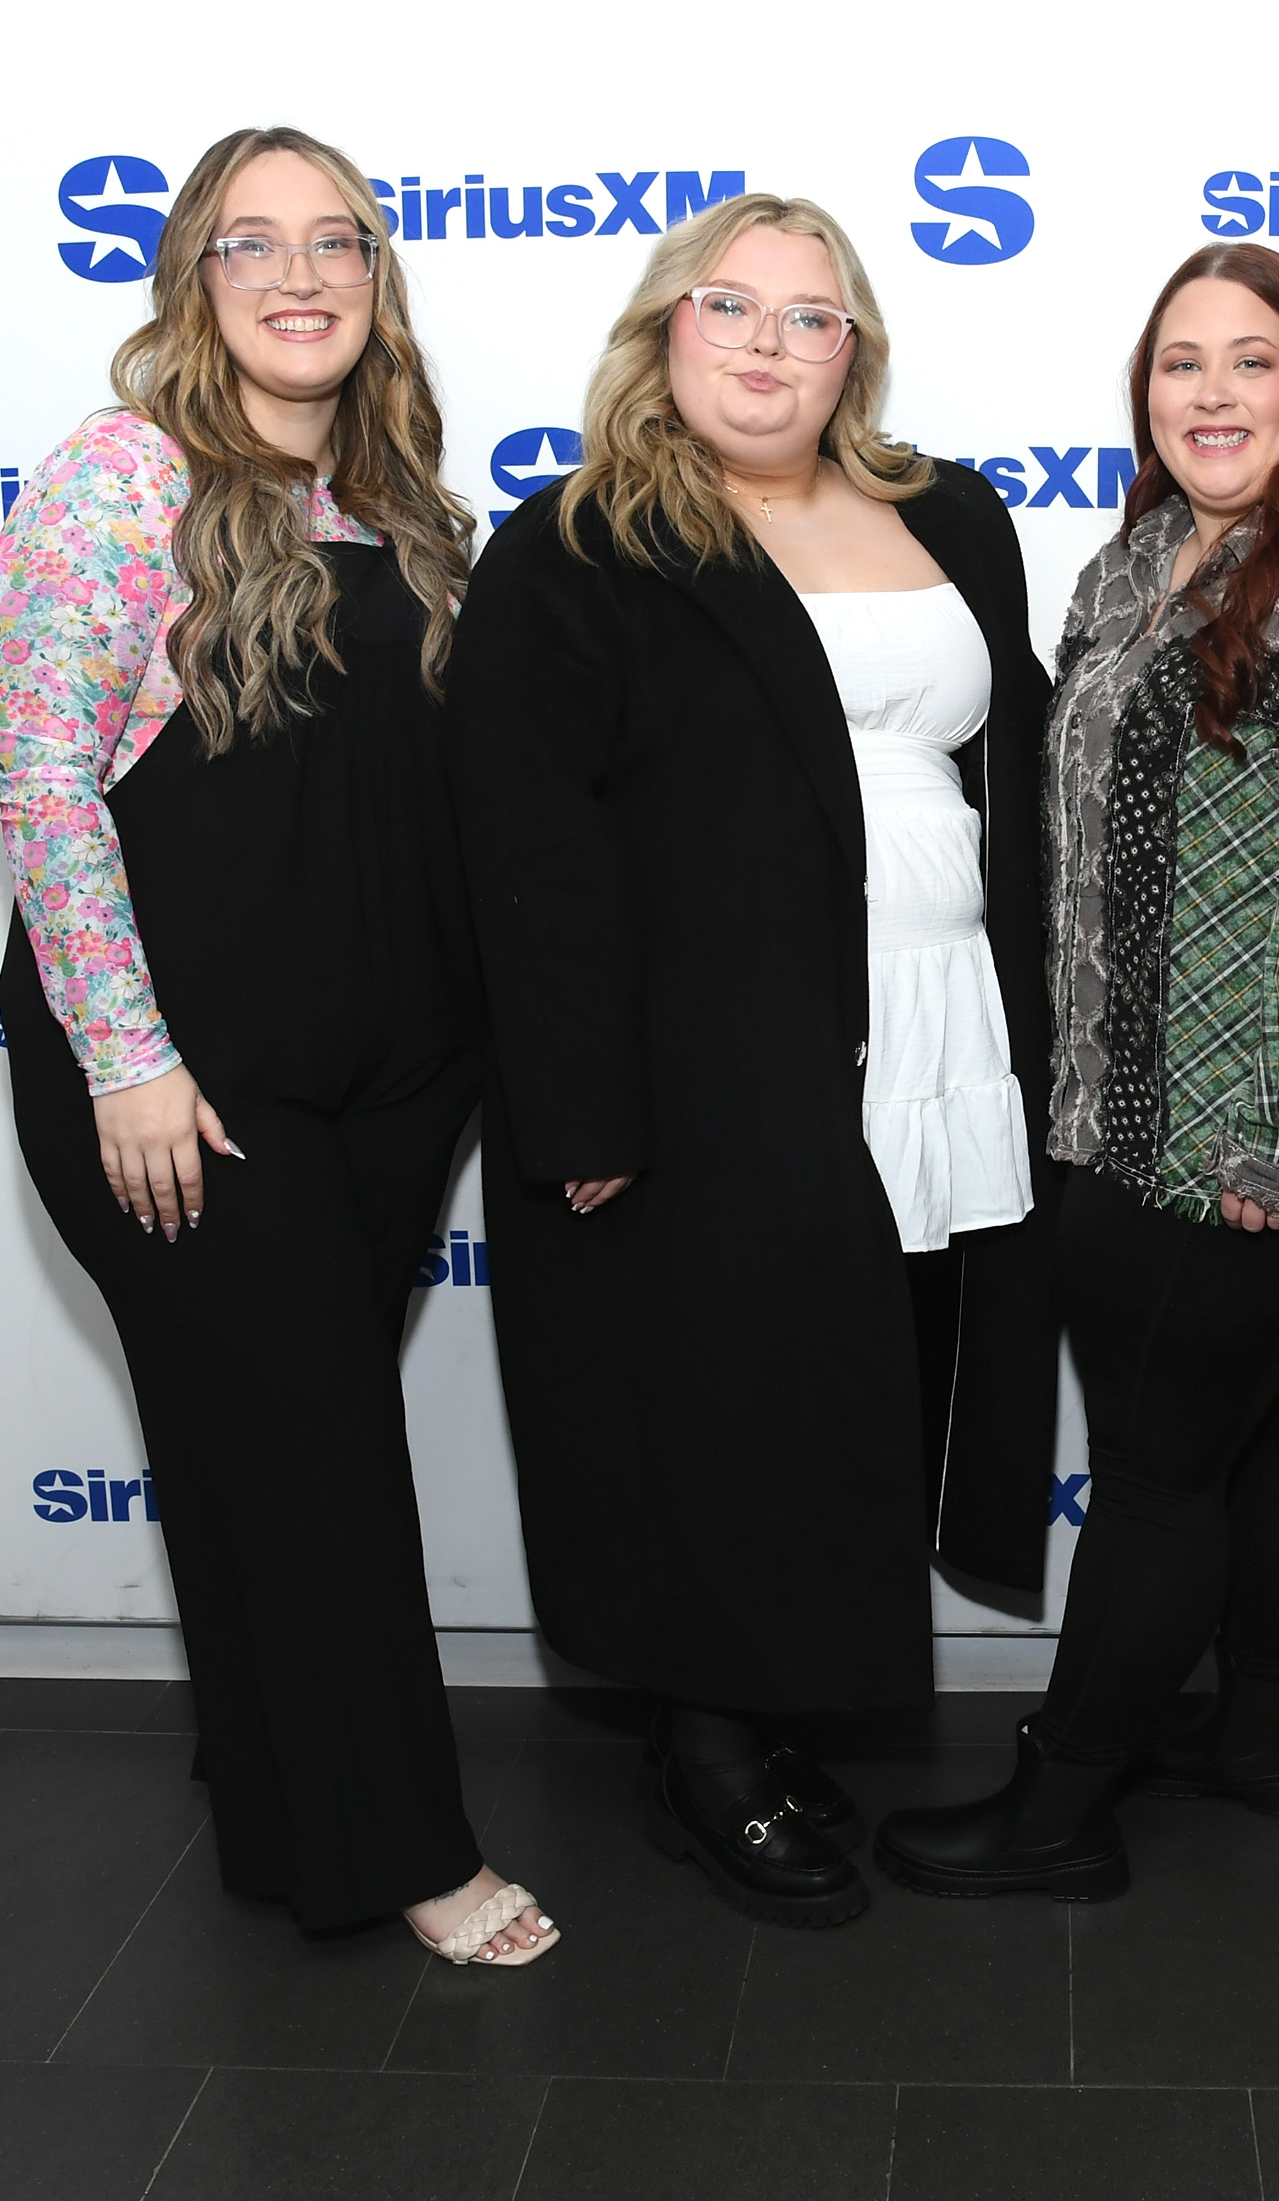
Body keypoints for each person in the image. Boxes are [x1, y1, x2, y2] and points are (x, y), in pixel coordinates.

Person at [442, 194, 1058, 1930]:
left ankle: (778, 1708)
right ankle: (705, 1750)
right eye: (732, 306)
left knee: (866, 1379)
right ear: (668, 328)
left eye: (811, 315)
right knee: (721, 1397)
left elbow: (1013, 765)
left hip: (931, 1020)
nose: (770, 343)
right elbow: (526, 841)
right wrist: (578, 1100)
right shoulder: (579, 544)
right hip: (704, 1049)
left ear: (856, 351)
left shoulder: (953, 514)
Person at [0, 126, 553, 1966]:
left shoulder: (404, 502)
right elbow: (43, 778)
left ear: (378, 280)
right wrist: (125, 1060)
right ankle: (408, 1850)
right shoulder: (120, 477)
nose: (301, 276)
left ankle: (279, 1796)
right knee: (320, 1463)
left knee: (256, 1452)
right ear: (193, 279)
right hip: (189, 1087)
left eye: (338, 243)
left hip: (390, 1082)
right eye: (254, 243)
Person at [875, 243, 1279, 1901]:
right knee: (1264, 1419)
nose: (1211, 395)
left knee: (1154, 1472)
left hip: (1238, 1120)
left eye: (1251, 361)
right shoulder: (1141, 558)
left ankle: (1059, 1811)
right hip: (1122, 1095)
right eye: (1180, 364)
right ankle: (1261, 1737)